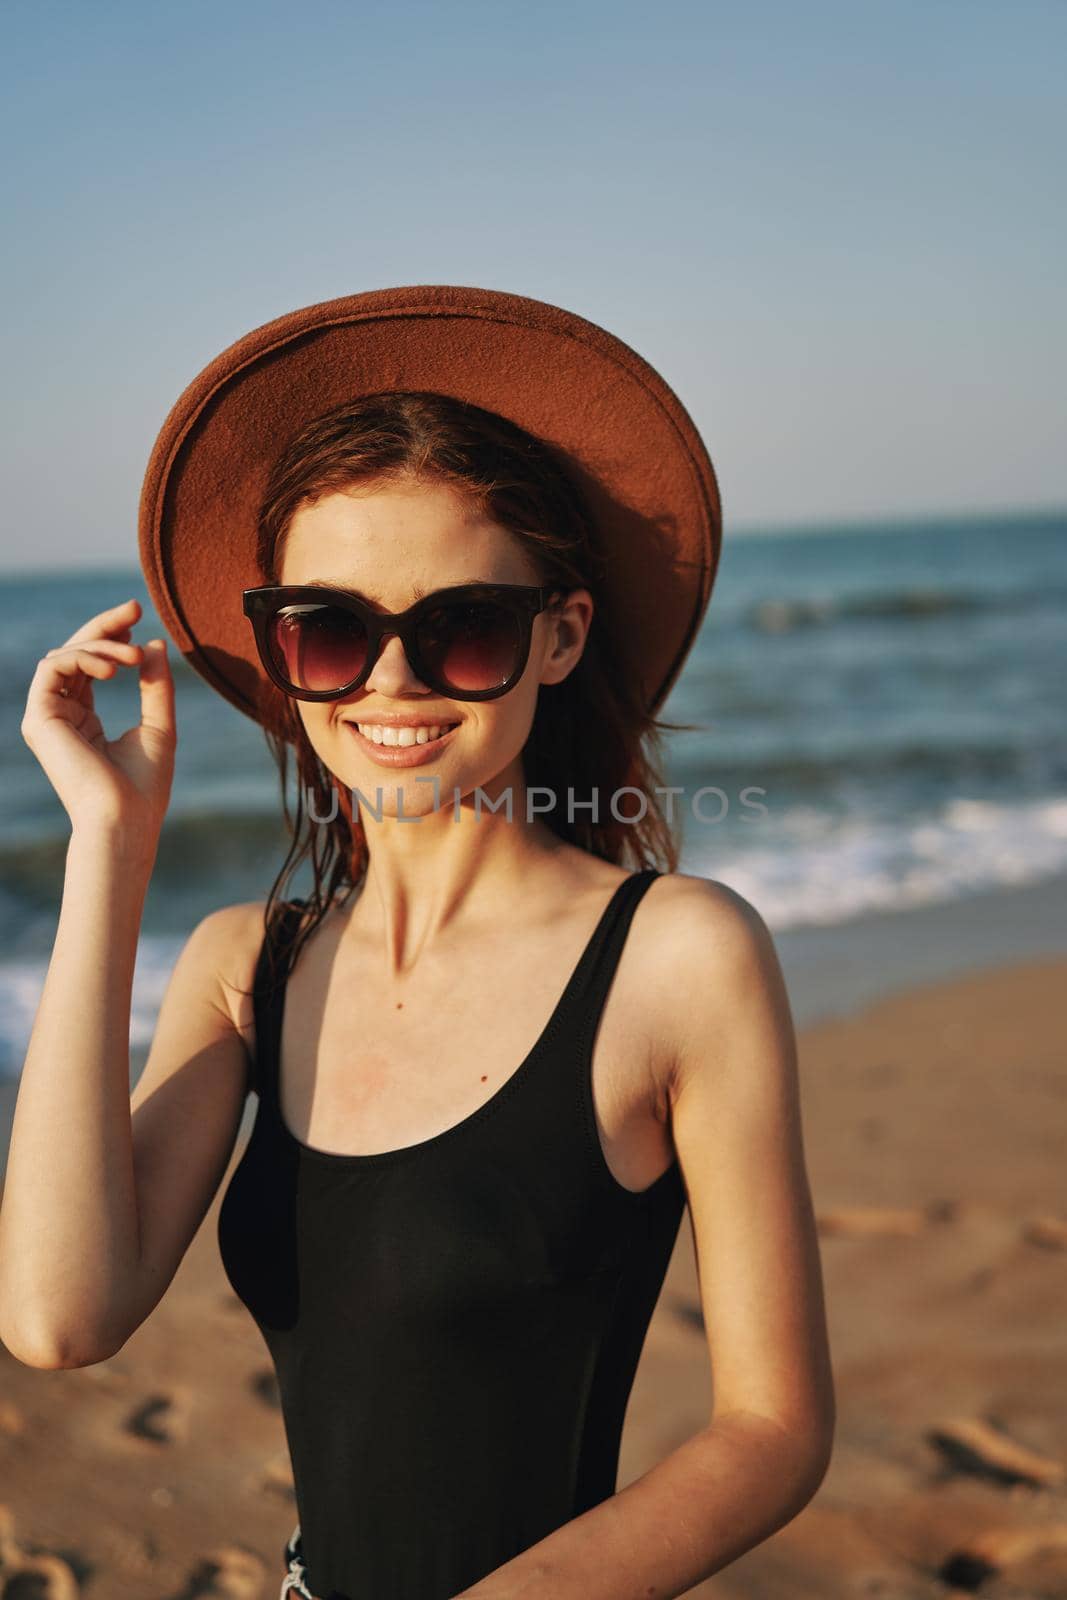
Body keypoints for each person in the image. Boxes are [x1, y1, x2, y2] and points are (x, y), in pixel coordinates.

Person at [1, 287, 834, 1600]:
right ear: (282, 657)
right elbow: (61, 1314)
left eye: (463, 627)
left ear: (557, 637)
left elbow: (773, 1430)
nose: (391, 680)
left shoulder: (678, 958)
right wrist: (107, 842)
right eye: (330, 628)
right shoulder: (242, 967)